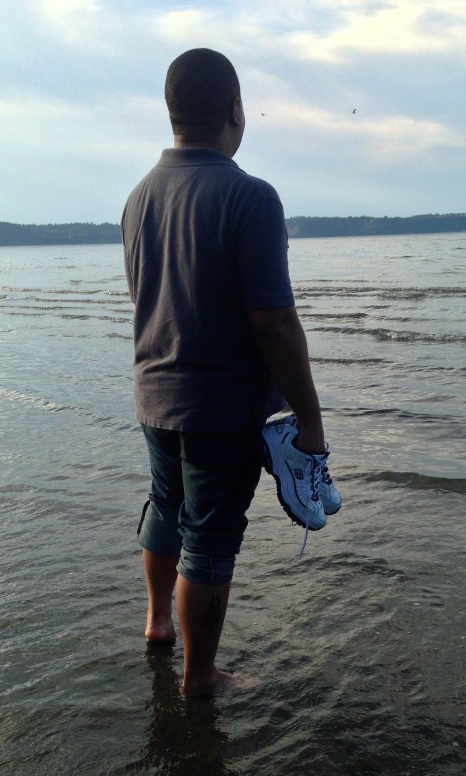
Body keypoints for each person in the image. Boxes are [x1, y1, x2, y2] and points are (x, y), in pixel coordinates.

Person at [121, 48, 327, 696]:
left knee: (166, 507)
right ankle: (201, 677)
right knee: (209, 537)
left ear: (172, 111)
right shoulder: (251, 197)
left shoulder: (139, 198)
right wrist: (311, 422)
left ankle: (159, 624)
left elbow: (148, 298)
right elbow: (274, 324)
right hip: (218, 405)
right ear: (236, 111)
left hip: (155, 393)